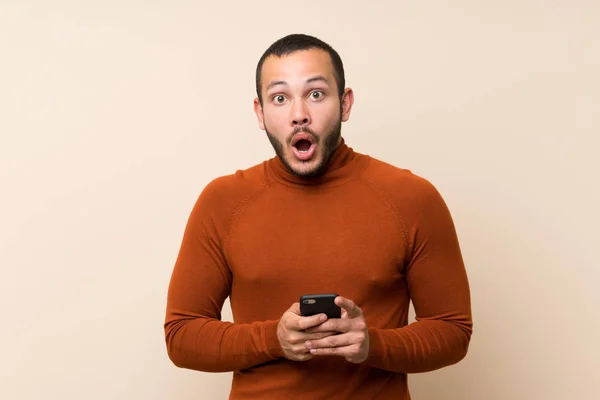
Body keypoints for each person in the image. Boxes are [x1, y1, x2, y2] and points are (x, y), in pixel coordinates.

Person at [164, 33, 473, 399]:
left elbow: (453, 330)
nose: (299, 115)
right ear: (260, 113)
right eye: (280, 98)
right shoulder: (222, 201)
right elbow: (181, 335)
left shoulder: (412, 198)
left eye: (315, 94)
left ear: (345, 104)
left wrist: (372, 345)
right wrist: (274, 338)